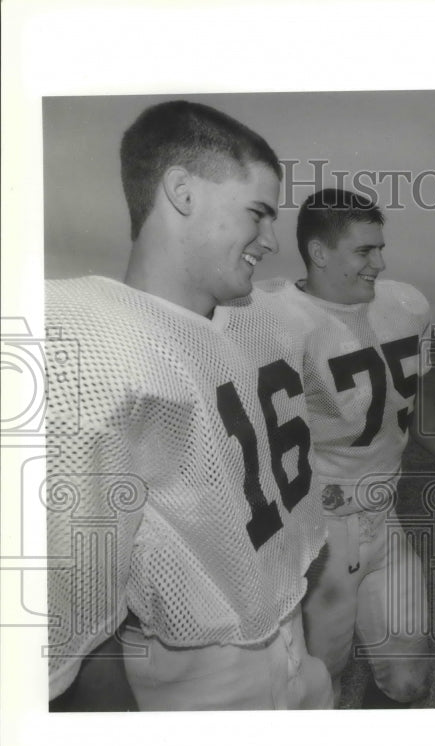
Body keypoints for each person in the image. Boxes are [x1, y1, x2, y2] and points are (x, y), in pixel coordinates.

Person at [45, 100, 333, 711]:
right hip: (197, 675)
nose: (273, 240)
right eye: (256, 212)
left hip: (292, 636)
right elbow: (78, 619)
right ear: (182, 191)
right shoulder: (96, 345)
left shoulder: (257, 322)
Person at [256, 187, 435, 708]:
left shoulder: (403, 306)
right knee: (317, 684)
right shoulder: (271, 320)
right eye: (364, 251)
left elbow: (409, 397)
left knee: (407, 676)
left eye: (380, 248)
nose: (380, 263)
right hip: (320, 535)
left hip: (386, 519)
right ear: (319, 254)